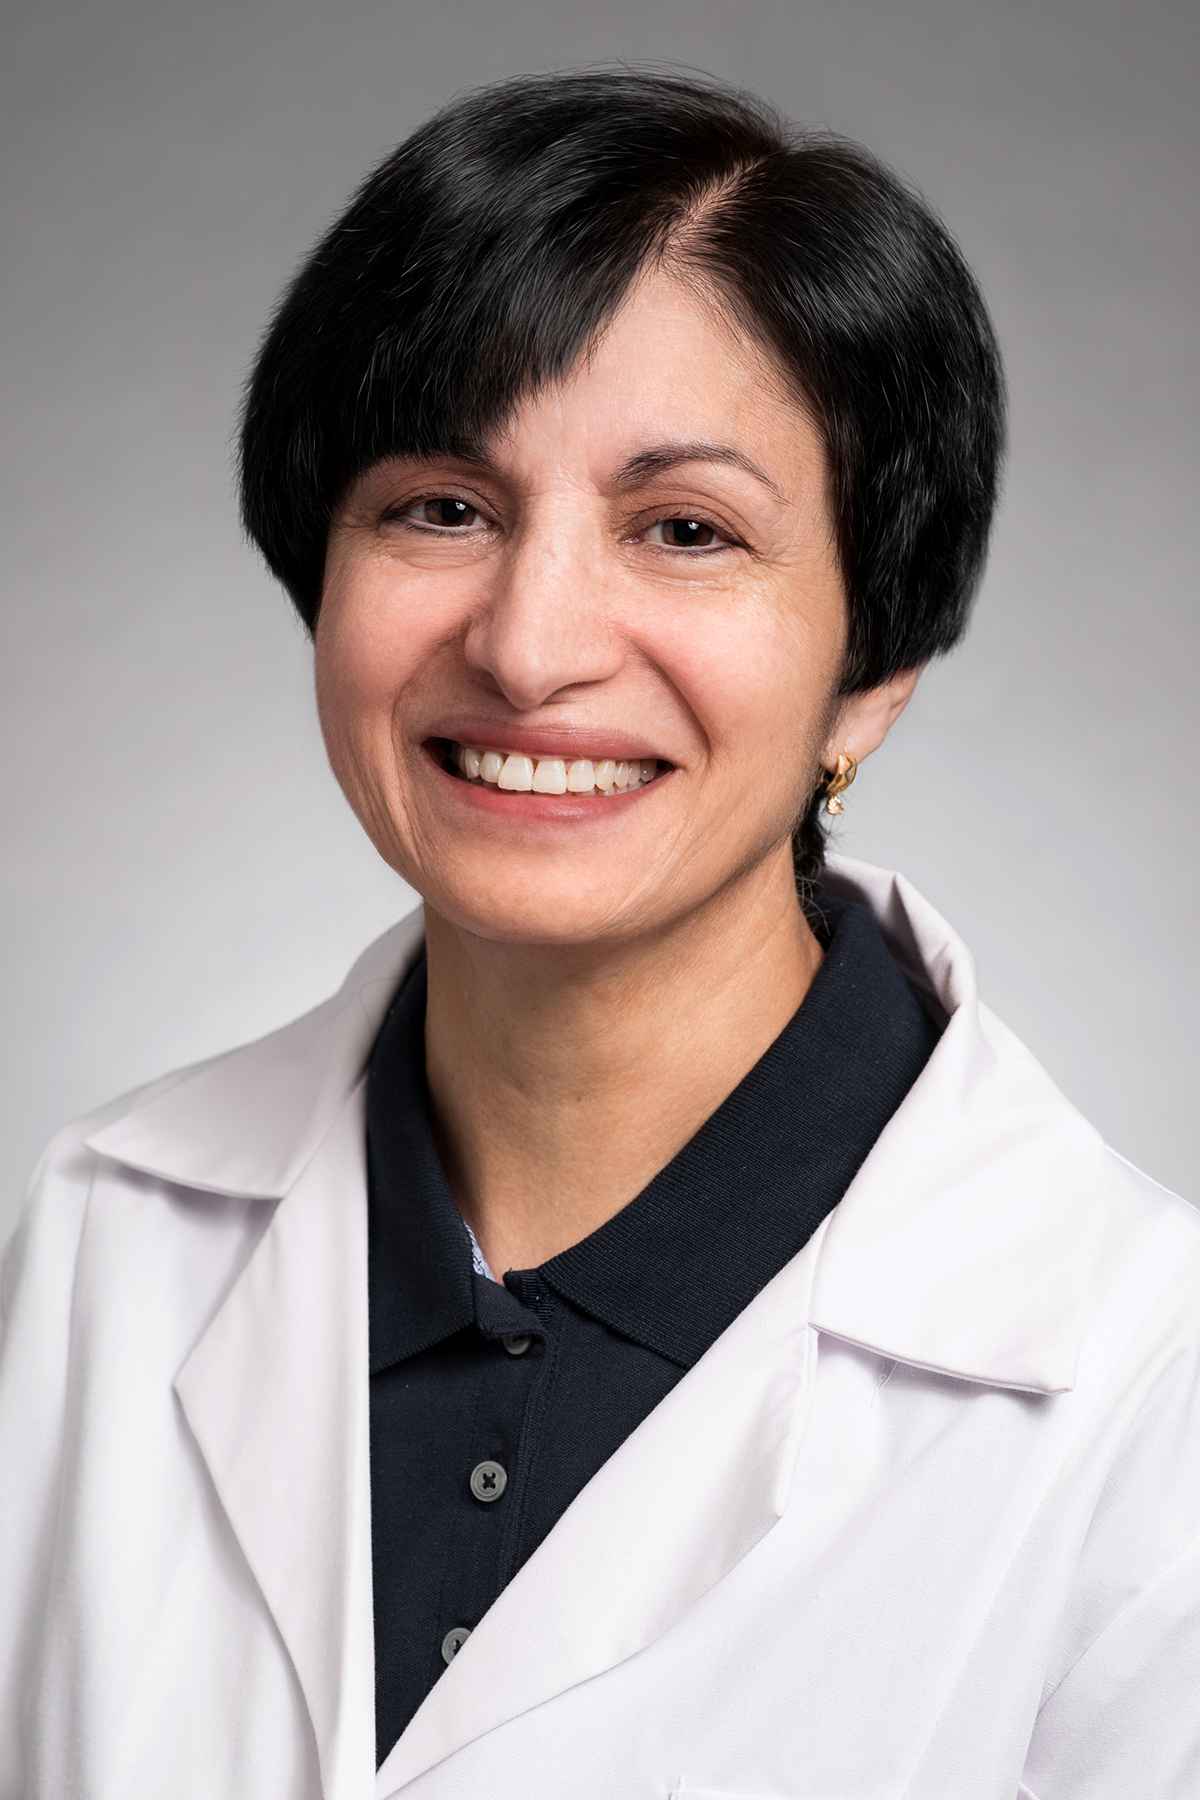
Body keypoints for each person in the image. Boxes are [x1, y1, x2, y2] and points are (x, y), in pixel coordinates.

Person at [1, 69, 1197, 1800]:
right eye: (442, 507)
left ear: (873, 671)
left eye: (685, 530)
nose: (529, 643)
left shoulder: (1142, 1383)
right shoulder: (106, 1239)